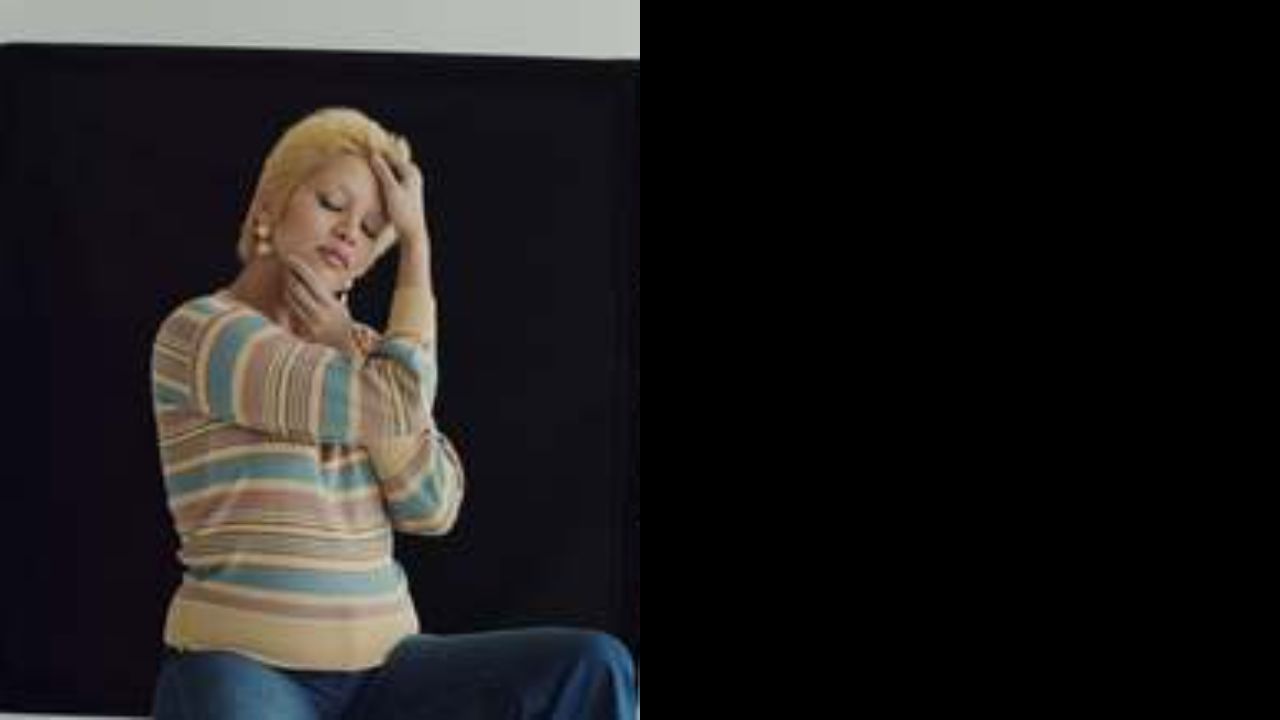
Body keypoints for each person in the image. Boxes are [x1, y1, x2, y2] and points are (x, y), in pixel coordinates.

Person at [148, 107, 636, 719]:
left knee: (593, 665)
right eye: (331, 203)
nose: (348, 231)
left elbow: (432, 505)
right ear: (268, 206)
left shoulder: (374, 358)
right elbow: (398, 401)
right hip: (244, 666)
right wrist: (404, 281)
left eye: (374, 229)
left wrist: (407, 256)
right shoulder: (204, 334)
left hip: (387, 675)